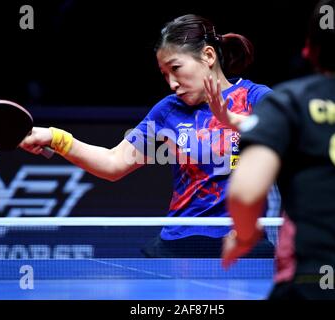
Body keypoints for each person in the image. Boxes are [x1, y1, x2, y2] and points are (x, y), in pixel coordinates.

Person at [20, 14, 280, 258]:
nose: (172, 83)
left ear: (208, 56)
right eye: (165, 74)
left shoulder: (254, 98)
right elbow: (114, 163)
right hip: (179, 245)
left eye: (176, 68)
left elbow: (284, 134)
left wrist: (231, 120)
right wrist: (58, 138)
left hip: (245, 245)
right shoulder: (168, 110)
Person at [221, 0, 335, 299]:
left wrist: (246, 237)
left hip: (313, 284)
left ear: (314, 47)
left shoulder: (290, 102)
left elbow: (244, 192)